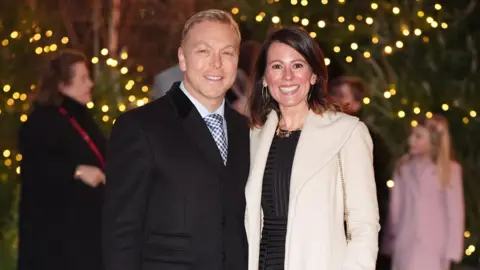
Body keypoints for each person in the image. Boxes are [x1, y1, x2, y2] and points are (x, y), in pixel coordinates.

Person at [102, 9, 250, 270]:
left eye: (227, 53)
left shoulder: (244, 130)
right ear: (182, 58)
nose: (216, 63)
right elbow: (120, 234)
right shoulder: (140, 127)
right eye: (203, 51)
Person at [245, 27, 379, 270]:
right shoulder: (254, 137)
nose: (287, 76)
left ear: (314, 75)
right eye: (277, 66)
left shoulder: (347, 132)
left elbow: (364, 225)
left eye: (297, 65)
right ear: (265, 78)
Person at [17, 49, 106, 270]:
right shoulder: (42, 121)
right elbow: (37, 170)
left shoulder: (83, 117)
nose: (90, 84)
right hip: (57, 243)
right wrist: (75, 171)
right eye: (83, 79)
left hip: (86, 237)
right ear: (62, 85)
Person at [382, 114, 464, 270]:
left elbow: (455, 213)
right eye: (411, 135)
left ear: (434, 141)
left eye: (418, 136)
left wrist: (452, 250)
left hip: (434, 247)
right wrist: (390, 241)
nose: (410, 140)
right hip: (405, 244)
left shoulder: (449, 170)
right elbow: (395, 208)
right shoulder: (403, 168)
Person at [328, 76, 393, 269]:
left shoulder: (363, 137)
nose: (334, 100)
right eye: (332, 94)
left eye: (341, 96)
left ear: (356, 104)